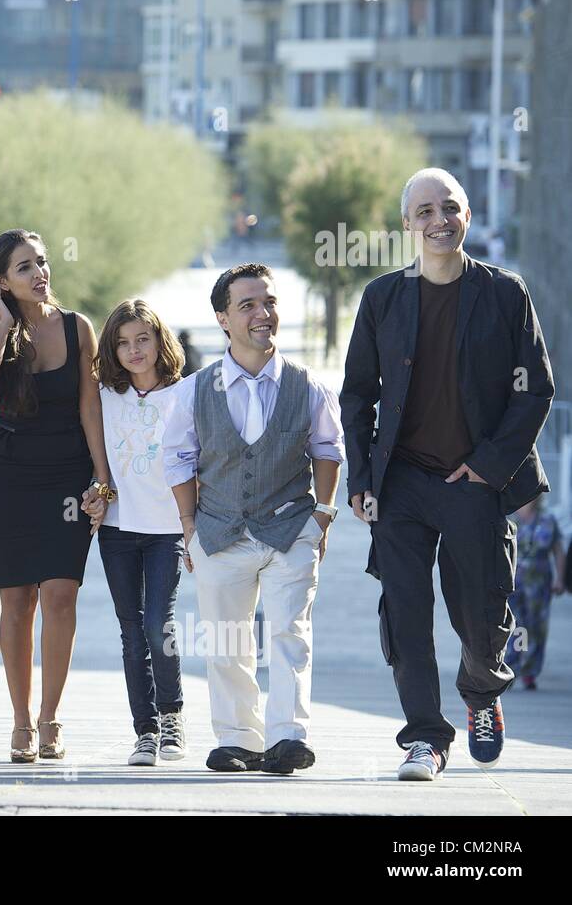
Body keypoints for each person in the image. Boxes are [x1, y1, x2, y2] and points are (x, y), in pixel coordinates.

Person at [341, 168, 553, 780]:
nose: (440, 219)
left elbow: (535, 390)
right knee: (405, 611)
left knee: (480, 612)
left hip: (475, 482)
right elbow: (356, 395)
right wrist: (362, 478)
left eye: (450, 207)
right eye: (426, 210)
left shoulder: (505, 294)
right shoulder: (382, 298)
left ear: (467, 214)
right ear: (407, 223)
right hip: (402, 480)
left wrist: (488, 466)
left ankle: (481, 696)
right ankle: (425, 739)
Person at [163, 263, 345, 775]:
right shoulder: (193, 391)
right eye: (248, 305)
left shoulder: (307, 386)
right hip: (217, 531)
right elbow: (178, 458)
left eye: (269, 302)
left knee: (291, 632)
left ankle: (288, 736)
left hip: (290, 528)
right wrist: (189, 526)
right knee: (226, 639)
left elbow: (328, 449)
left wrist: (323, 517)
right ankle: (239, 738)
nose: (263, 314)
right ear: (223, 318)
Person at [0, 229, 108, 763]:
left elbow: (90, 406)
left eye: (42, 263)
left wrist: (102, 477)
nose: (40, 273)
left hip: (68, 475)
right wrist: (2, 325)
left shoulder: (77, 327)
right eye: (24, 267)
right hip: (9, 474)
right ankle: (21, 721)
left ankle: (51, 717)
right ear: (1, 281)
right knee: (17, 601)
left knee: (61, 595)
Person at [83, 300, 188, 766]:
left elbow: (199, 464)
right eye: (123, 343)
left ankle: (172, 718)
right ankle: (144, 730)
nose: (133, 350)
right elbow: (91, 452)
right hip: (118, 528)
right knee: (131, 631)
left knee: (156, 623)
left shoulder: (185, 395)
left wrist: (195, 526)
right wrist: (95, 490)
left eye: (142, 339)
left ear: (159, 341)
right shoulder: (104, 394)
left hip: (167, 529)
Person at [507, 496, 564, 690]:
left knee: (537, 628)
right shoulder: (509, 519)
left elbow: (558, 550)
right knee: (518, 626)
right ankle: (514, 667)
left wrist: (560, 578)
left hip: (539, 583)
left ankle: (530, 672)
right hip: (513, 582)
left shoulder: (548, 520)